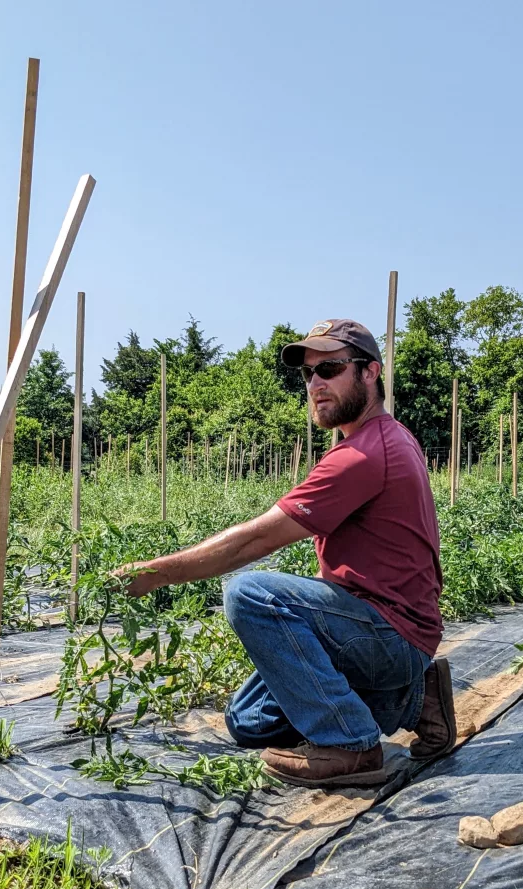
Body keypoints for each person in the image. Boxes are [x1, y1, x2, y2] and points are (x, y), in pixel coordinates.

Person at [113, 319, 454, 787]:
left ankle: (351, 745)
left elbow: (254, 541)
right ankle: (417, 700)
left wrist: (155, 573)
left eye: (330, 368)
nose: (316, 384)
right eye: (308, 374)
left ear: (370, 373)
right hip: (382, 627)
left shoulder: (364, 454)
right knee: (248, 721)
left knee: (251, 593)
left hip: (391, 634)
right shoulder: (388, 436)